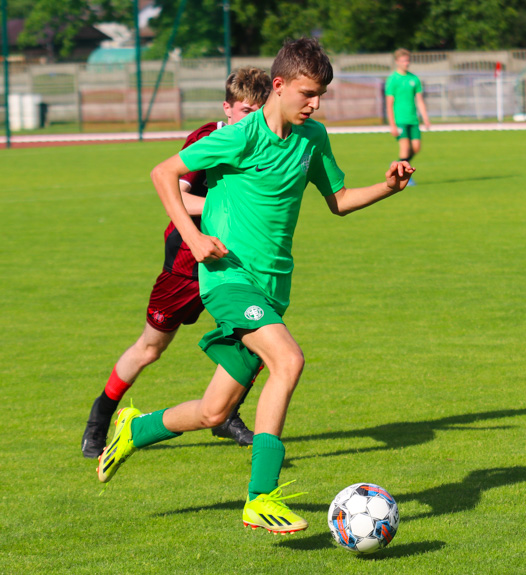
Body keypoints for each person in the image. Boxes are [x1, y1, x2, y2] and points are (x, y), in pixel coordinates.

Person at [96, 38, 415, 535]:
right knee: (288, 361)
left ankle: (135, 429)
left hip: (272, 288)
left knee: (213, 410)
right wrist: (193, 236)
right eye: (308, 93)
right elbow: (164, 173)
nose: (315, 103)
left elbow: (341, 199)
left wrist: (389, 188)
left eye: (322, 95)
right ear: (279, 85)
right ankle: (260, 497)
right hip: (228, 280)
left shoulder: (314, 139)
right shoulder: (242, 136)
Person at [81, 68, 272, 458]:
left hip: (236, 264)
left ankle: (226, 414)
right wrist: (229, 214)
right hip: (188, 263)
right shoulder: (210, 138)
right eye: (245, 110)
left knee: (261, 341)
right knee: (151, 348)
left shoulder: (265, 139)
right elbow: (180, 197)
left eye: (259, 110)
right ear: (227, 108)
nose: (252, 119)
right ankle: (100, 417)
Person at [385, 48, 430, 185]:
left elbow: (420, 100)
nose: (406, 63)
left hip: (413, 119)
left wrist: (425, 118)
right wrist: (392, 124)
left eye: (408, 60)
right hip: (400, 120)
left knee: (416, 148)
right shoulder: (393, 79)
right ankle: (404, 175)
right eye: (403, 60)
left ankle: (397, 165)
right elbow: (389, 103)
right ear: (397, 61)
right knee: (404, 148)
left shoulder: (413, 79)